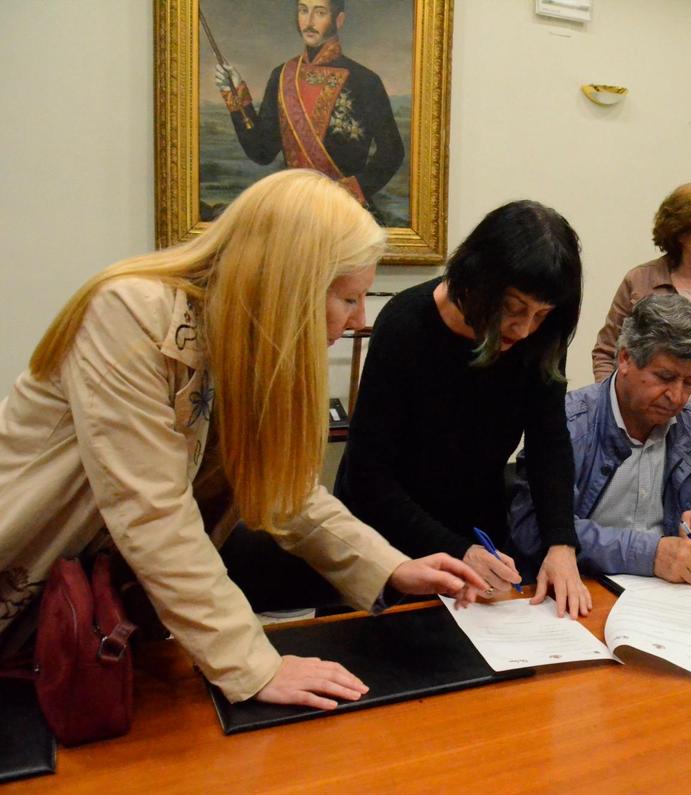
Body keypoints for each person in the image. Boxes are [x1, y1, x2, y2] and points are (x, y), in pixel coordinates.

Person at [0, 170, 487, 709]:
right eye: (349, 298)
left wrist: (389, 566)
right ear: (291, 285)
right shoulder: (130, 312)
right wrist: (252, 664)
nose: (358, 320)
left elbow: (288, 490)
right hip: (21, 582)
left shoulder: (247, 337)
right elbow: (153, 513)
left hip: (84, 623)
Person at [334, 201, 592, 617]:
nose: (524, 329)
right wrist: (457, 550)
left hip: (477, 537)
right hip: (388, 542)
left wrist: (561, 543)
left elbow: (549, 443)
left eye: (541, 315)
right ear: (479, 281)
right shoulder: (406, 326)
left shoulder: (539, 341)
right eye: (514, 309)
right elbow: (368, 478)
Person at [513, 295, 691, 584]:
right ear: (625, 358)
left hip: (674, 597)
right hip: (582, 590)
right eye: (665, 377)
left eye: (689, 382)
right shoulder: (565, 425)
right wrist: (648, 554)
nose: (677, 396)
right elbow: (531, 528)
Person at [592, 182, 691, 452]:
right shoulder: (640, 281)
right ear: (682, 232)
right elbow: (607, 352)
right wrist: (614, 417)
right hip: (646, 434)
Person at [213, 0, 404, 212]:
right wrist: (235, 92)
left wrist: (348, 192)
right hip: (294, 208)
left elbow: (392, 152)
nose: (309, 21)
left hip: (344, 209)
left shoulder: (365, 81)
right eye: (303, 11)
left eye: (320, 13)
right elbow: (262, 152)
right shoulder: (282, 75)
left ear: (339, 20)